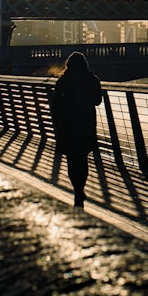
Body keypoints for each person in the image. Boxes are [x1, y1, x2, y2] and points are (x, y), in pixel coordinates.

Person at [48, 51, 103, 207]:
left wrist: (58, 124)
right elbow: (97, 101)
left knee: (72, 159)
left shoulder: (63, 81)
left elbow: (55, 105)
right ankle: (81, 187)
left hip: (68, 125)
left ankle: (77, 188)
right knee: (83, 158)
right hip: (85, 125)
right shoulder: (92, 80)